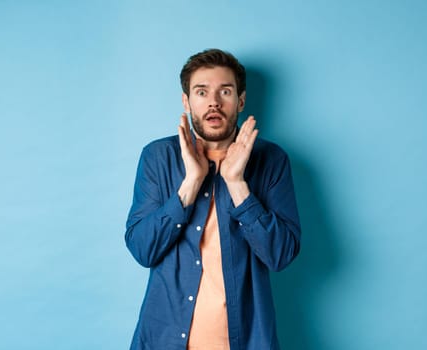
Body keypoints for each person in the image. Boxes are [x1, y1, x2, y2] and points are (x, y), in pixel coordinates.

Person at [125, 48, 301, 350]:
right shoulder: (158, 157)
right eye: (202, 92)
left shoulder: (271, 160)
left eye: (225, 91)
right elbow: (143, 249)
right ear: (186, 101)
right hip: (164, 341)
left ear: (241, 100)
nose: (214, 102)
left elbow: (281, 255)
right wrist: (190, 183)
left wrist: (237, 184)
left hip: (246, 341)